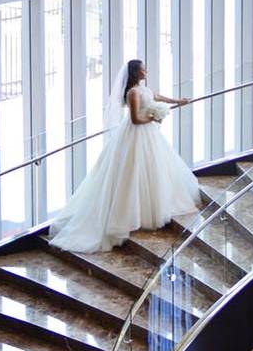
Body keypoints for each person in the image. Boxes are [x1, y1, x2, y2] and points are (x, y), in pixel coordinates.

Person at [48, 59, 202, 253]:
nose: (146, 71)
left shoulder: (143, 89)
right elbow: (136, 119)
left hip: (149, 135)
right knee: (133, 172)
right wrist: (155, 117)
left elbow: (158, 97)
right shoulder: (132, 93)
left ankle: (149, 210)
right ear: (135, 72)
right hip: (137, 134)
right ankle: (129, 216)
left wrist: (179, 101)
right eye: (142, 69)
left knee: (153, 170)